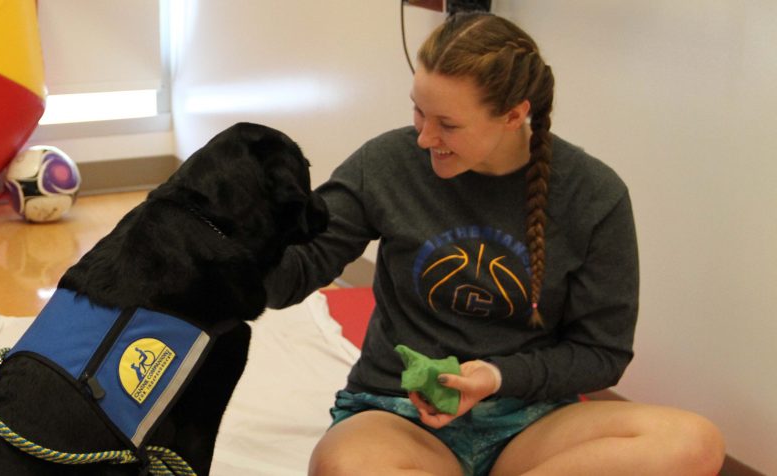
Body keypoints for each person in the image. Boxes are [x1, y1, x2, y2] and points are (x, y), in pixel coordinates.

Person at [265, 12, 725, 476]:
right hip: (399, 414)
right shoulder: (385, 163)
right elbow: (298, 269)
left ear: (513, 115)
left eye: (448, 124)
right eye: (419, 111)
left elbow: (602, 353)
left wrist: (497, 377)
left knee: (694, 443)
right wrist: (237, 238)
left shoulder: (593, 196)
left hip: (530, 420)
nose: (425, 138)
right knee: (344, 467)